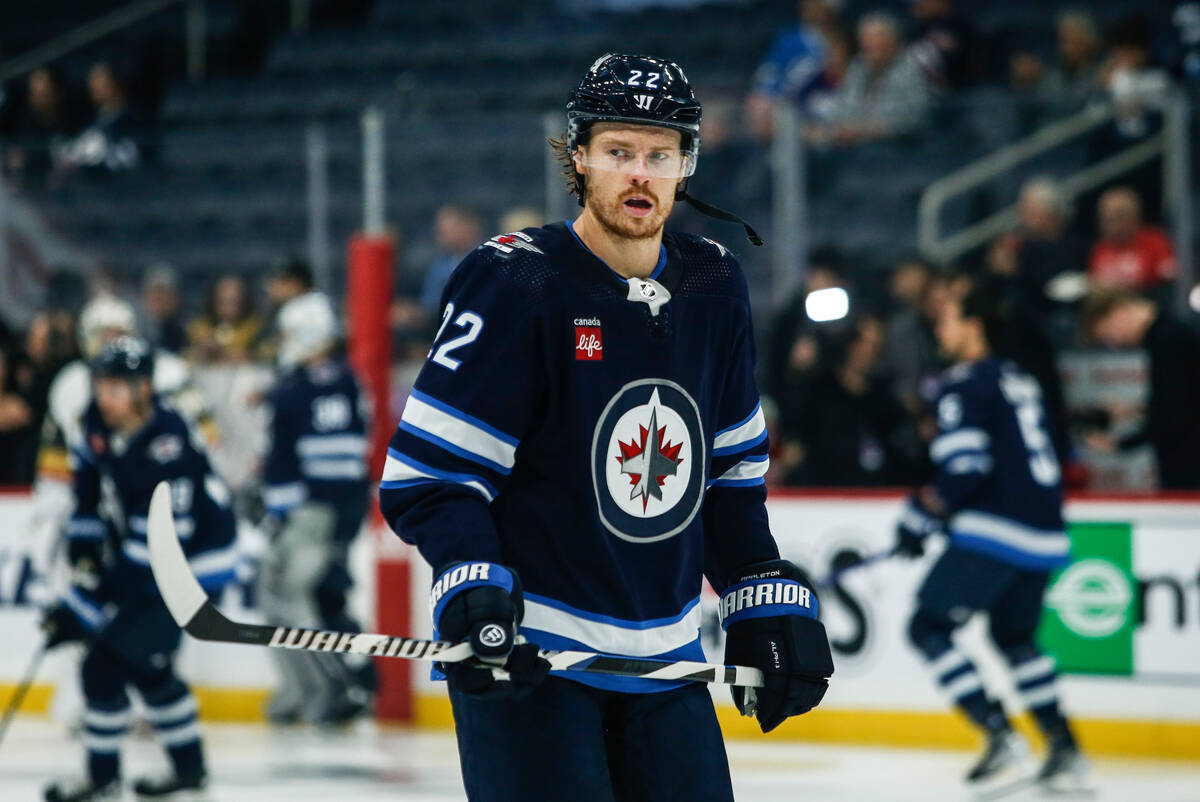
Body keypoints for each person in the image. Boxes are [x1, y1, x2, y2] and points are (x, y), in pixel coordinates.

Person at [378, 53, 834, 801]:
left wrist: (759, 591)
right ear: (579, 155)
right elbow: (433, 474)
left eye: (660, 154)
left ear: (686, 163)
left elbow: (727, 476)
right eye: (619, 152)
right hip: (533, 656)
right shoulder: (517, 278)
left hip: (666, 660)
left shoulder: (715, 283)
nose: (639, 175)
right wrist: (472, 581)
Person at [894, 283, 1085, 792]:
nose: (940, 327)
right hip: (1045, 531)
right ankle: (1065, 753)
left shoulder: (962, 384)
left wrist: (920, 516)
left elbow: (966, 469)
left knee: (926, 627)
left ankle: (1001, 738)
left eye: (949, 319)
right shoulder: (1017, 378)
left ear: (973, 327)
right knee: (1014, 637)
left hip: (997, 530)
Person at [40, 337, 236, 801]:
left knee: (104, 667)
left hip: (192, 570)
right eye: (99, 385)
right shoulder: (96, 420)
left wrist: (83, 606)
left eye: (115, 388)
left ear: (143, 387)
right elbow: (87, 485)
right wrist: (84, 547)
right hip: (156, 558)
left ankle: (102, 778)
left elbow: (157, 560)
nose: (103, 397)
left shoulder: (169, 449)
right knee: (148, 666)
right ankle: (190, 769)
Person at [259, 291, 375, 723]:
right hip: (321, 510)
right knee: (313, 596)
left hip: (314, 513)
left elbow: (335, 460)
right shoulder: (331, 381)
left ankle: (336, 685)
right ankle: (311, 688)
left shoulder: (317, 384)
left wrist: (286, 510)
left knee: (302, 598)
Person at [1079, 288, 1200, 489]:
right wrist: (1139, 410)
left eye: (1108, 334)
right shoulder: (1169, 333)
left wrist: (1120, 443)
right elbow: (1183, 398)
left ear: (1118, 311)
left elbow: (1175, 415)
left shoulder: (1168, 339)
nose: (1115, 344)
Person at [811, 11, 930, 146]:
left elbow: (913, 119)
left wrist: (864, 131)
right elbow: (844, 108)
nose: (871, 46)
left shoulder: (910, 69)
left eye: (878, 40)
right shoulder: (859, 67)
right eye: (867, 43)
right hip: (854, 145)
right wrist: (833, 130)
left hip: (897, 149)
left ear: (894, 42)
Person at [1087, 186, 1176, 298]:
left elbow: (1168, 283)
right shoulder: (1100, 249)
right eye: (1107, 220)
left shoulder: (1155, 243)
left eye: (1119, 217)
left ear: (1135, 216)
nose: (1113, 226)